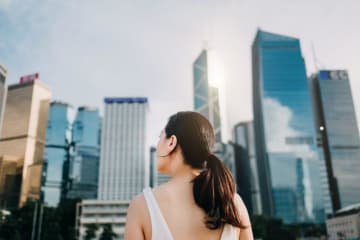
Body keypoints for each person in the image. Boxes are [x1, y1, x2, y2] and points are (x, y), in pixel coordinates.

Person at [125, 111, 253, 240]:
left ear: (171, 142)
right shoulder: (233, 203)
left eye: (160, 138)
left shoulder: (142, 206)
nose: (157, 146)